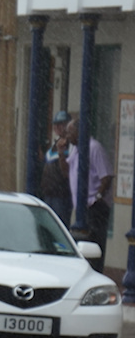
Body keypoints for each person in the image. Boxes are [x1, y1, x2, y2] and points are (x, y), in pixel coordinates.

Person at [66, 114, 113, 271]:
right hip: (81, 206)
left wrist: (97, 197)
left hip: (94, 206)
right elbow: (66, 172)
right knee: (84, 244)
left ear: (79, 132)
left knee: (94, 245)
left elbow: (106, 176)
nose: (67, 136)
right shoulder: (75, 149)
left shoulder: (94, 148)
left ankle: (95, 271)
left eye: (69, 132)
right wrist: (60, 153)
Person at [42, 110, 73, 223]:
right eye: (55, 124)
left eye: (61, 124)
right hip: (48, 194)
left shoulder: (70, 145)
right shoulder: (55, 144)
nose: (57, 127)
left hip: (61, 196)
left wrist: (61, 153)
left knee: (59, 224)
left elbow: (66, 171)